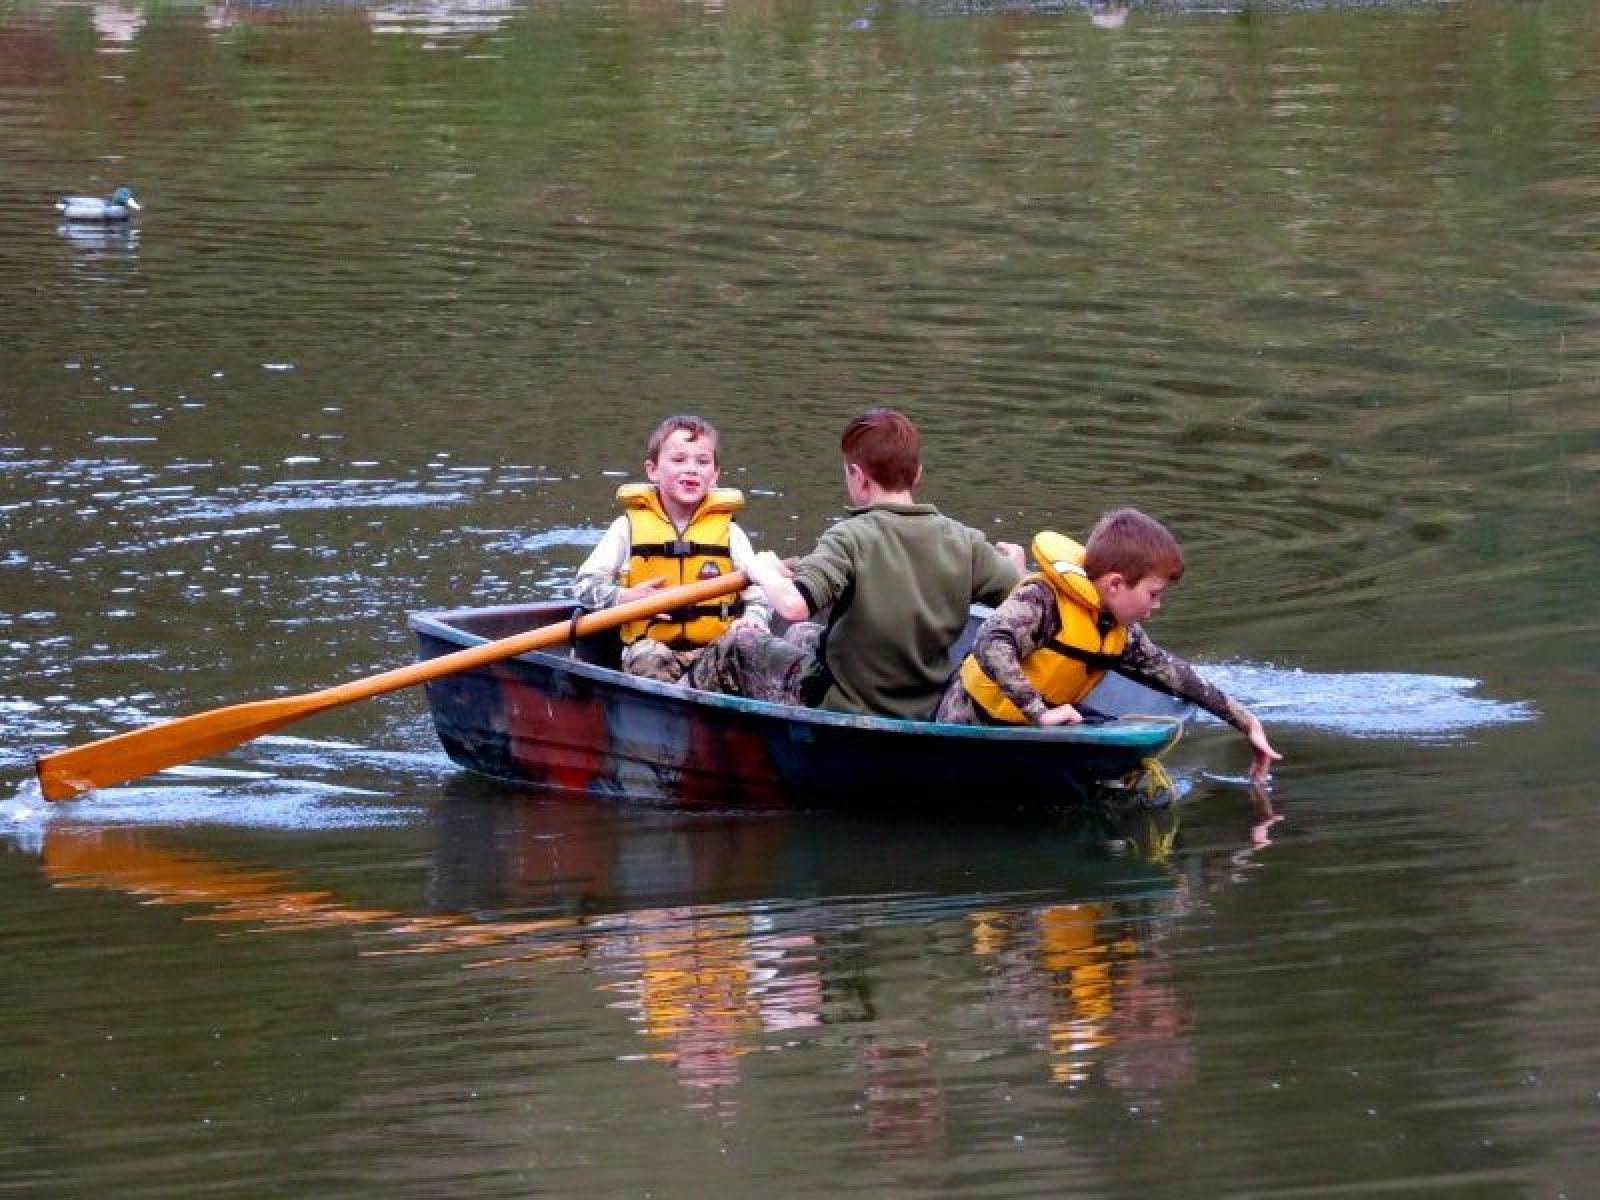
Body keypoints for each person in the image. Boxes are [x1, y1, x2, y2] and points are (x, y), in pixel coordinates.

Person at [688, 408, 1025, 719]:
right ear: (918, 474)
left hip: (846, 705)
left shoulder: (848, 537)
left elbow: (793, 606)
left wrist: (759, 568)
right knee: (803, 634)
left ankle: (677, 714)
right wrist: (1018, 567)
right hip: (924, 705)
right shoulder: (966, 541)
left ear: (859, 477)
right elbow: (1030, 597)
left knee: (736, 646)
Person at [935, 508, 1281, 784]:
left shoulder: (1119, 631)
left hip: (1026, 733)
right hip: (969, 726)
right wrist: (1039, 712)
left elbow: (1175, 675)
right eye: (1153, 594)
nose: (1157, 605)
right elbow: (991, 643)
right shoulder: (1042, 601)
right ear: (1115, 584)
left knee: (1099, 725)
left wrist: (1246, 721)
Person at [574, 414, 770, 683]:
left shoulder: (731, 534)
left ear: (715, 475)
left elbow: (760, 594)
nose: (691, 469)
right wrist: (625, 597)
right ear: (652, 470)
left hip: (712, 654)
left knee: (747, 648)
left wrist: (753, 618)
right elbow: (584, 587)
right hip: (650, 652)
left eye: (702, 462)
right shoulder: (626, 528)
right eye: (679, 460)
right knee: (648, 657)